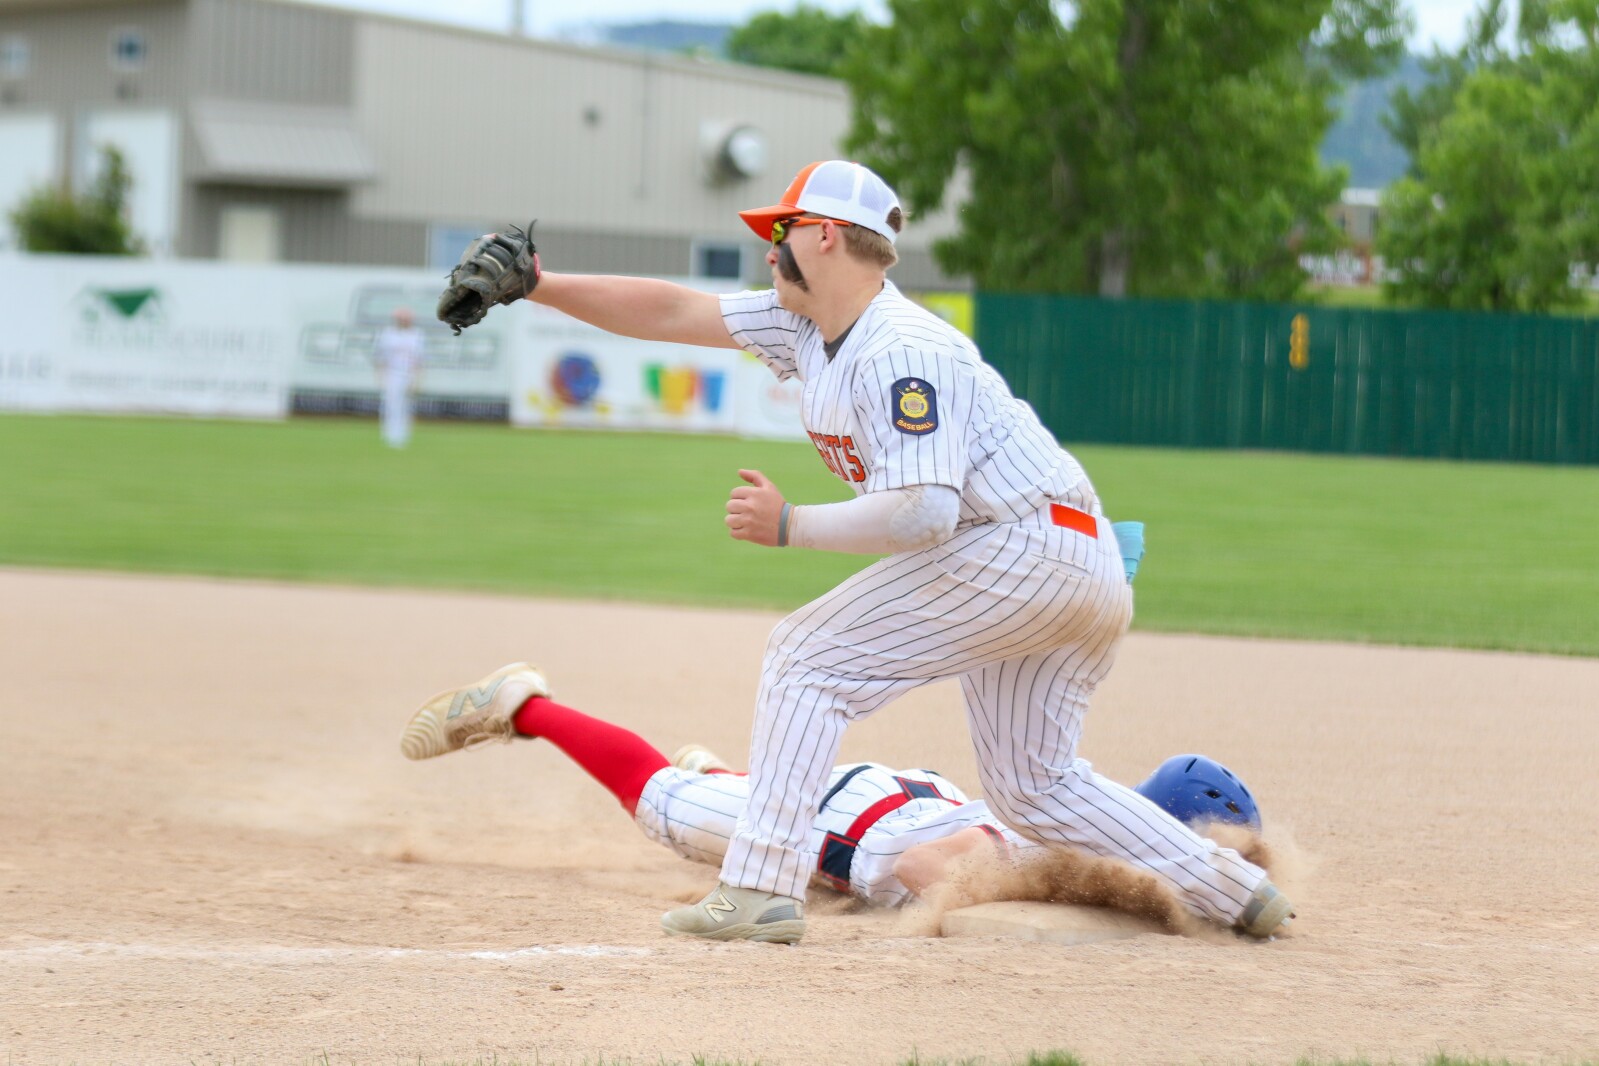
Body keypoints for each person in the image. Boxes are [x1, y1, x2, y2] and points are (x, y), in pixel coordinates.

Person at [422, 160, 1292, 944]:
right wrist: (538, 285)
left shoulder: (901, 348)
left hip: (1021, 544)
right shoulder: (804, 325)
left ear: (826, 236)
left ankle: (759, 889)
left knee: (806, 658)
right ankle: (1234, 890)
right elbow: (673, 309)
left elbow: (922, 512)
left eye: (781, 230)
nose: (768, 247)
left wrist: (791, 524)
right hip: (1070, 556)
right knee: (1035, 785)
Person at [397, 662, 1278, 942]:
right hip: (852, 818)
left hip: (891, 796)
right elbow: (923, 868)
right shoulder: (1026, 853)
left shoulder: (1069, 821)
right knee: (657, 802)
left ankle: (723, 779)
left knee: (718, 797)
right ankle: (523, 706)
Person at [373, 306, 424, 448]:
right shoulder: (387, 334)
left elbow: (419, 360)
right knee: (391, 405)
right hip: (392, 373)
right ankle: (390, 435)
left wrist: (417, 379)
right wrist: (380, 376)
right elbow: (380, 357)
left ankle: (403, 435)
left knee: (407, 406)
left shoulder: (416, 335)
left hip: (409, 374)